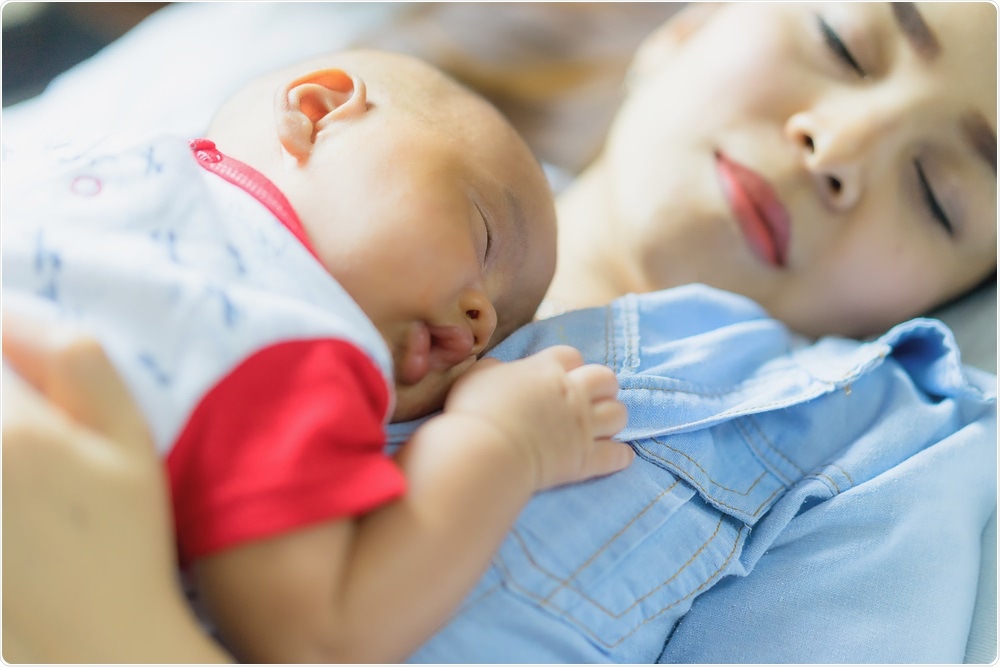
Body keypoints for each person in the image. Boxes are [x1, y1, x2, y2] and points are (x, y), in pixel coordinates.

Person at [3, 1, 996, 663]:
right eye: (845, 41)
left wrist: (116, 632)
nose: (841, 147)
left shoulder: (886, 453)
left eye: (938, 194)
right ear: (688, 27)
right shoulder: (281, 133)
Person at [1, 48, 632, 664]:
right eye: (485, 234)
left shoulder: (92, 163)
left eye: (501, 338)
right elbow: (321, 638)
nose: (484, 322)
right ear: (316, 111)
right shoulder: (289, 333)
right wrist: (499, 443)